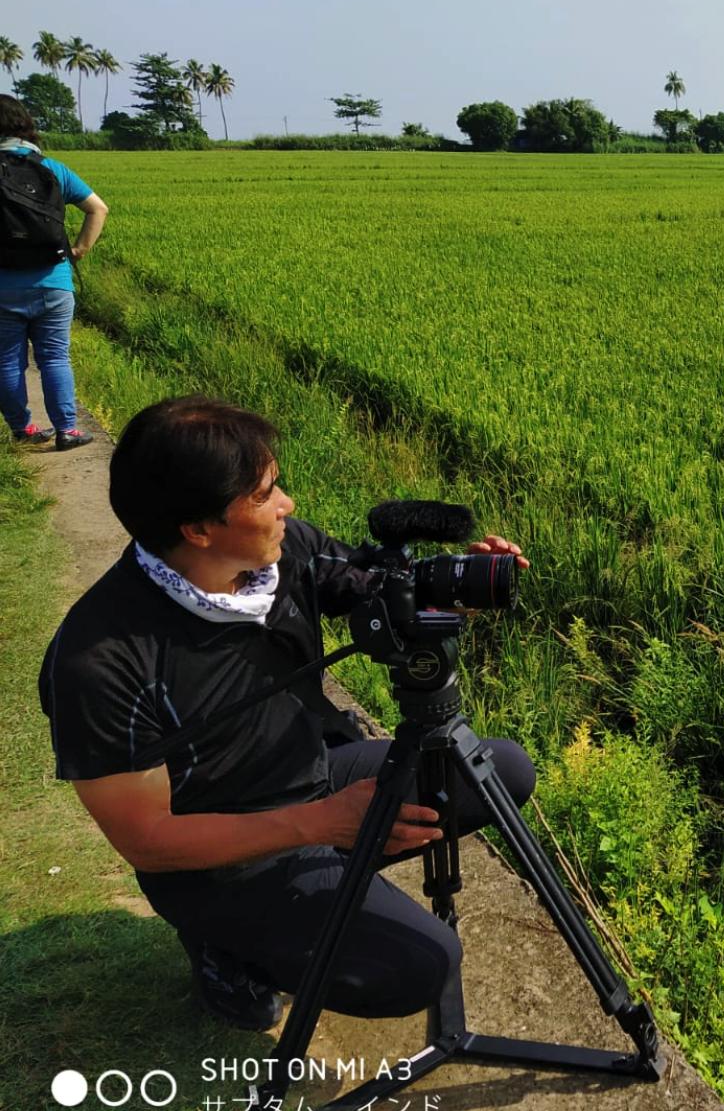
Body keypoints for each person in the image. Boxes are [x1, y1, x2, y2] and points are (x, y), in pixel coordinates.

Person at [39, 395, 536, 1030]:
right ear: (199, 529)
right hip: (217, 859)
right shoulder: (100, 661)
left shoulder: (280, 553)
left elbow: (370, 586)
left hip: (308, 772)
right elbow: (148, 841)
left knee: (501, 773)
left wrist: (457, 584)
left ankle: (320, 885)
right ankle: (226, 949)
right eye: (267, 493)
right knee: (422, 965)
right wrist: (321, 824)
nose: (288, 506)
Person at [0, 94, 109, 450]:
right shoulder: (53, 169)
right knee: (55, 356)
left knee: (7, 360)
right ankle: (66, 430)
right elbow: (98, 209)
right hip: (53, 281)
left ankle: (24, 431)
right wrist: (78, 251)